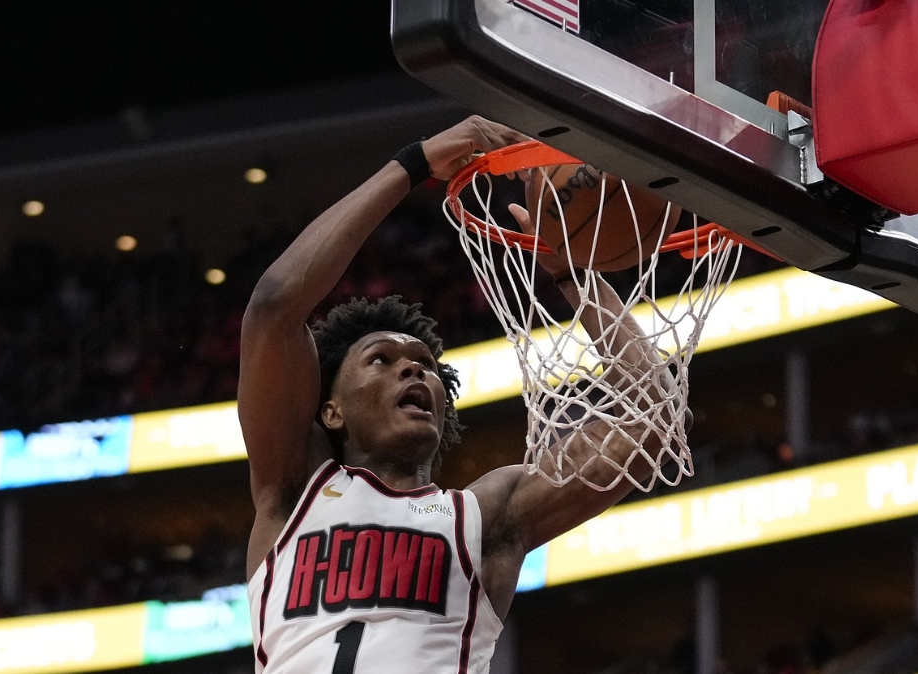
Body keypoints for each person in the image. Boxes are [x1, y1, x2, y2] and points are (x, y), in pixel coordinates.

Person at [240, 116, 679, 673]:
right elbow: (275, 306)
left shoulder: (483, 516)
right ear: (331, 410)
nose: (413, 369)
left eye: (426, 366)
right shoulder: (293, 493)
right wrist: (413, 163)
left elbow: (653, 424)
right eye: (381, 360)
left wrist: (576, 280)